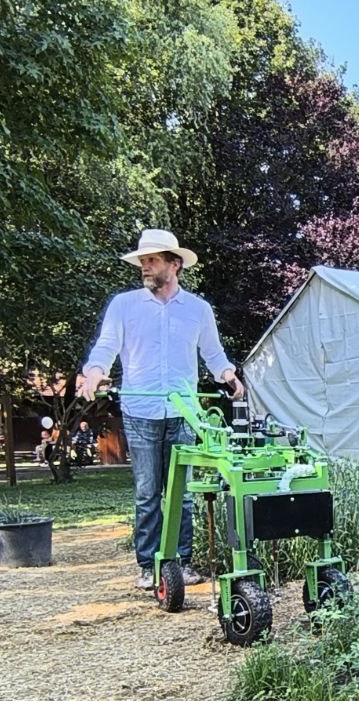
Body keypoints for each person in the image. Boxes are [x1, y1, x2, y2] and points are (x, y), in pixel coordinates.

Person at [78, 229, 243, 590]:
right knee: (147, 492)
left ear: (175, 263)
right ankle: (148, 565)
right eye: (142, 261)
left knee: (182, 494)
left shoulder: (198, 309)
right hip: (140, 412)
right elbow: (105, 347)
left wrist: (228, 374)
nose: (145, 267)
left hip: (183, 413)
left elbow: (213, 354)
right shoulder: (124, 305)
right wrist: (94, 372)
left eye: (152, 260)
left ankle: (180, 564)